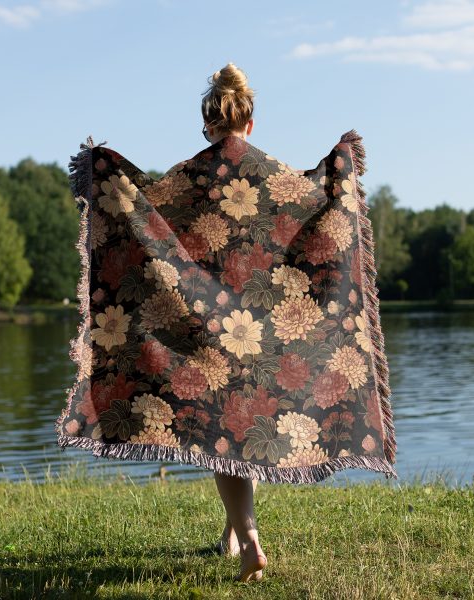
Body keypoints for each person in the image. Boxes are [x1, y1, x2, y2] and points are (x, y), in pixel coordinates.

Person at [200, 62, 267, 583]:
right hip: (261, 323)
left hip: (210, 323)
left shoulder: (193, 175)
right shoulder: (273, 174)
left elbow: (146, 219)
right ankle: (230, 533)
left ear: (209, 125)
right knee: (244, 431)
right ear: (250, 122)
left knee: (221, 438)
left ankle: (249, 541)